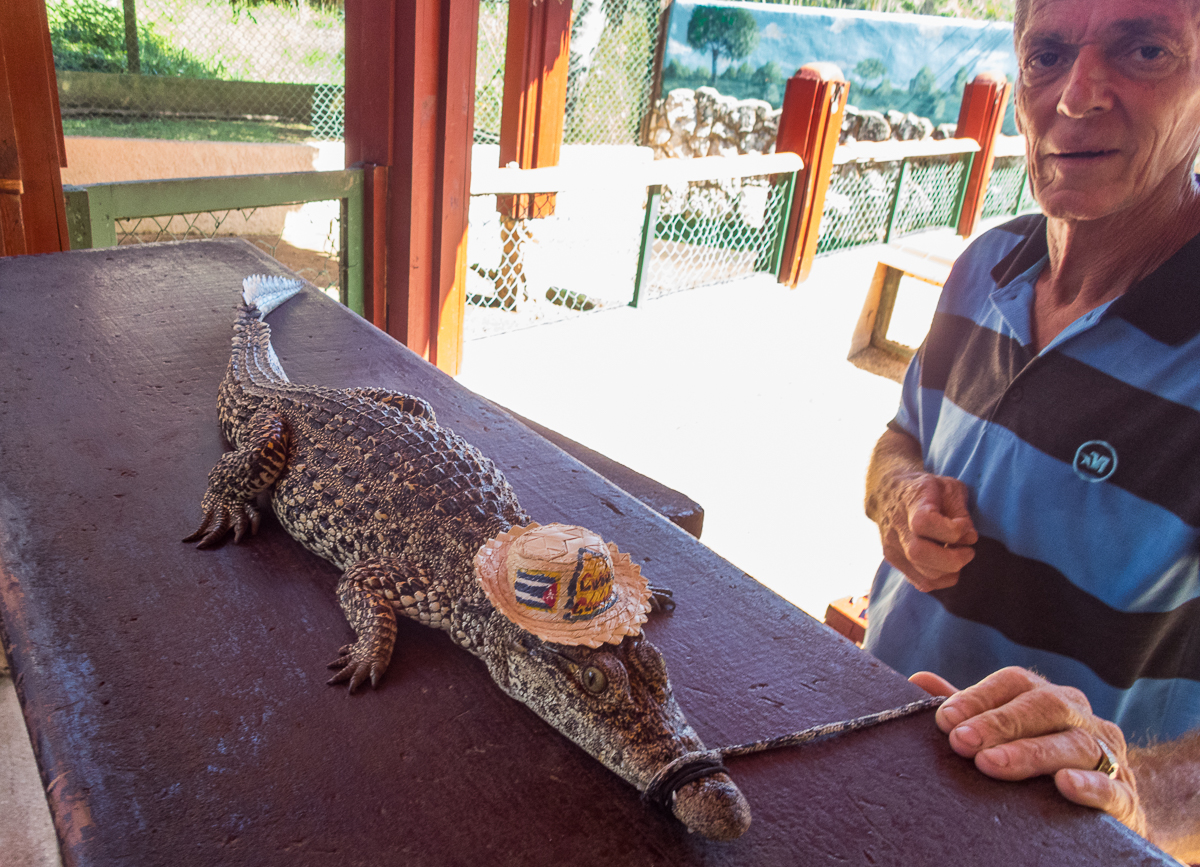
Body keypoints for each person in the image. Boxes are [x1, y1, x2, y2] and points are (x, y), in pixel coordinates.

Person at [861, 0, 1200, 858]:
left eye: (1146, 49)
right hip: (871, 745)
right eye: (1046, 55)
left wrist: (1130, 786)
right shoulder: (986, 265)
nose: (1077, 95)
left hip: (1056, 839)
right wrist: (899, 496)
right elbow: (901, 438)